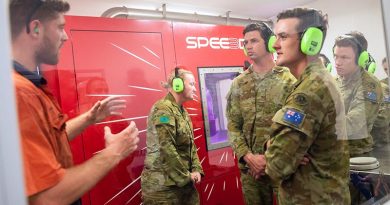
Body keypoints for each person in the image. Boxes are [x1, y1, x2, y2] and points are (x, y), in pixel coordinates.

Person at [10, 0, 140, 204]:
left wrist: (89, 118)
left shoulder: (27, 86)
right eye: (60, 27)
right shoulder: (20, 92)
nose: (65, 36)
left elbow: (50, 138)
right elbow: (47, 197)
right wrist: (115, 151)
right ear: (35, 28)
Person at [264, 7, 350, 204]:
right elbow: (282, 155)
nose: (275, 45)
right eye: (275, 37)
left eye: (283, 37)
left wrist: (273, 145)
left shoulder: (310, 90)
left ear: (309, 41)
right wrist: (278, 145)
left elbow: (276, 165)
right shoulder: (316, 80)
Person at [226, 22, 296, 205]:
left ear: (270, 42)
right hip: (251, 172)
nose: (248, 46)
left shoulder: (289, 80)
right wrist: (249, 158)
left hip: (283, 168)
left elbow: (296, 127)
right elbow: (233, 125)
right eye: (245, 42)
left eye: (254, 41)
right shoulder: (239, 83)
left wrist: (268, 159)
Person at [141, 67, 204, 205]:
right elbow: (166, 147)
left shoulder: (183, 112)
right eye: (191, 84)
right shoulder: (163, 109)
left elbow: (191, 145)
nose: (195, 89)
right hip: (163, 189)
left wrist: (196, 169)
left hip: (183, 183)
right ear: (178, 85)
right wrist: (187, 176)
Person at [333, 34, 383, 157]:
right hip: (332, 150)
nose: (338, 62)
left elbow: (352, 124)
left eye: (344, 57)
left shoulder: (369, 85)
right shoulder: (335, 81)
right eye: (336, 56)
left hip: (354, 154)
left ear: (360, 59)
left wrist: (314, 128)